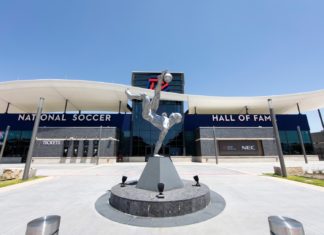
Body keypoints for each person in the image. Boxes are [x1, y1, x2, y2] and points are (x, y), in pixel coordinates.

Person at [125, 71, 182, 157]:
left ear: (175, 118)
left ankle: (130, 96)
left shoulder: (166, 127)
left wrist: (155, 153)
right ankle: (159, 80)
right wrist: (163, 116)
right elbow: (162, 120)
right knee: (157, 95)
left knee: (146, 97)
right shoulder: (166, 120)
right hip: (153, 111)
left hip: (148, 115)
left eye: (175, 114)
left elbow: (160, 140)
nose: (173, 113)